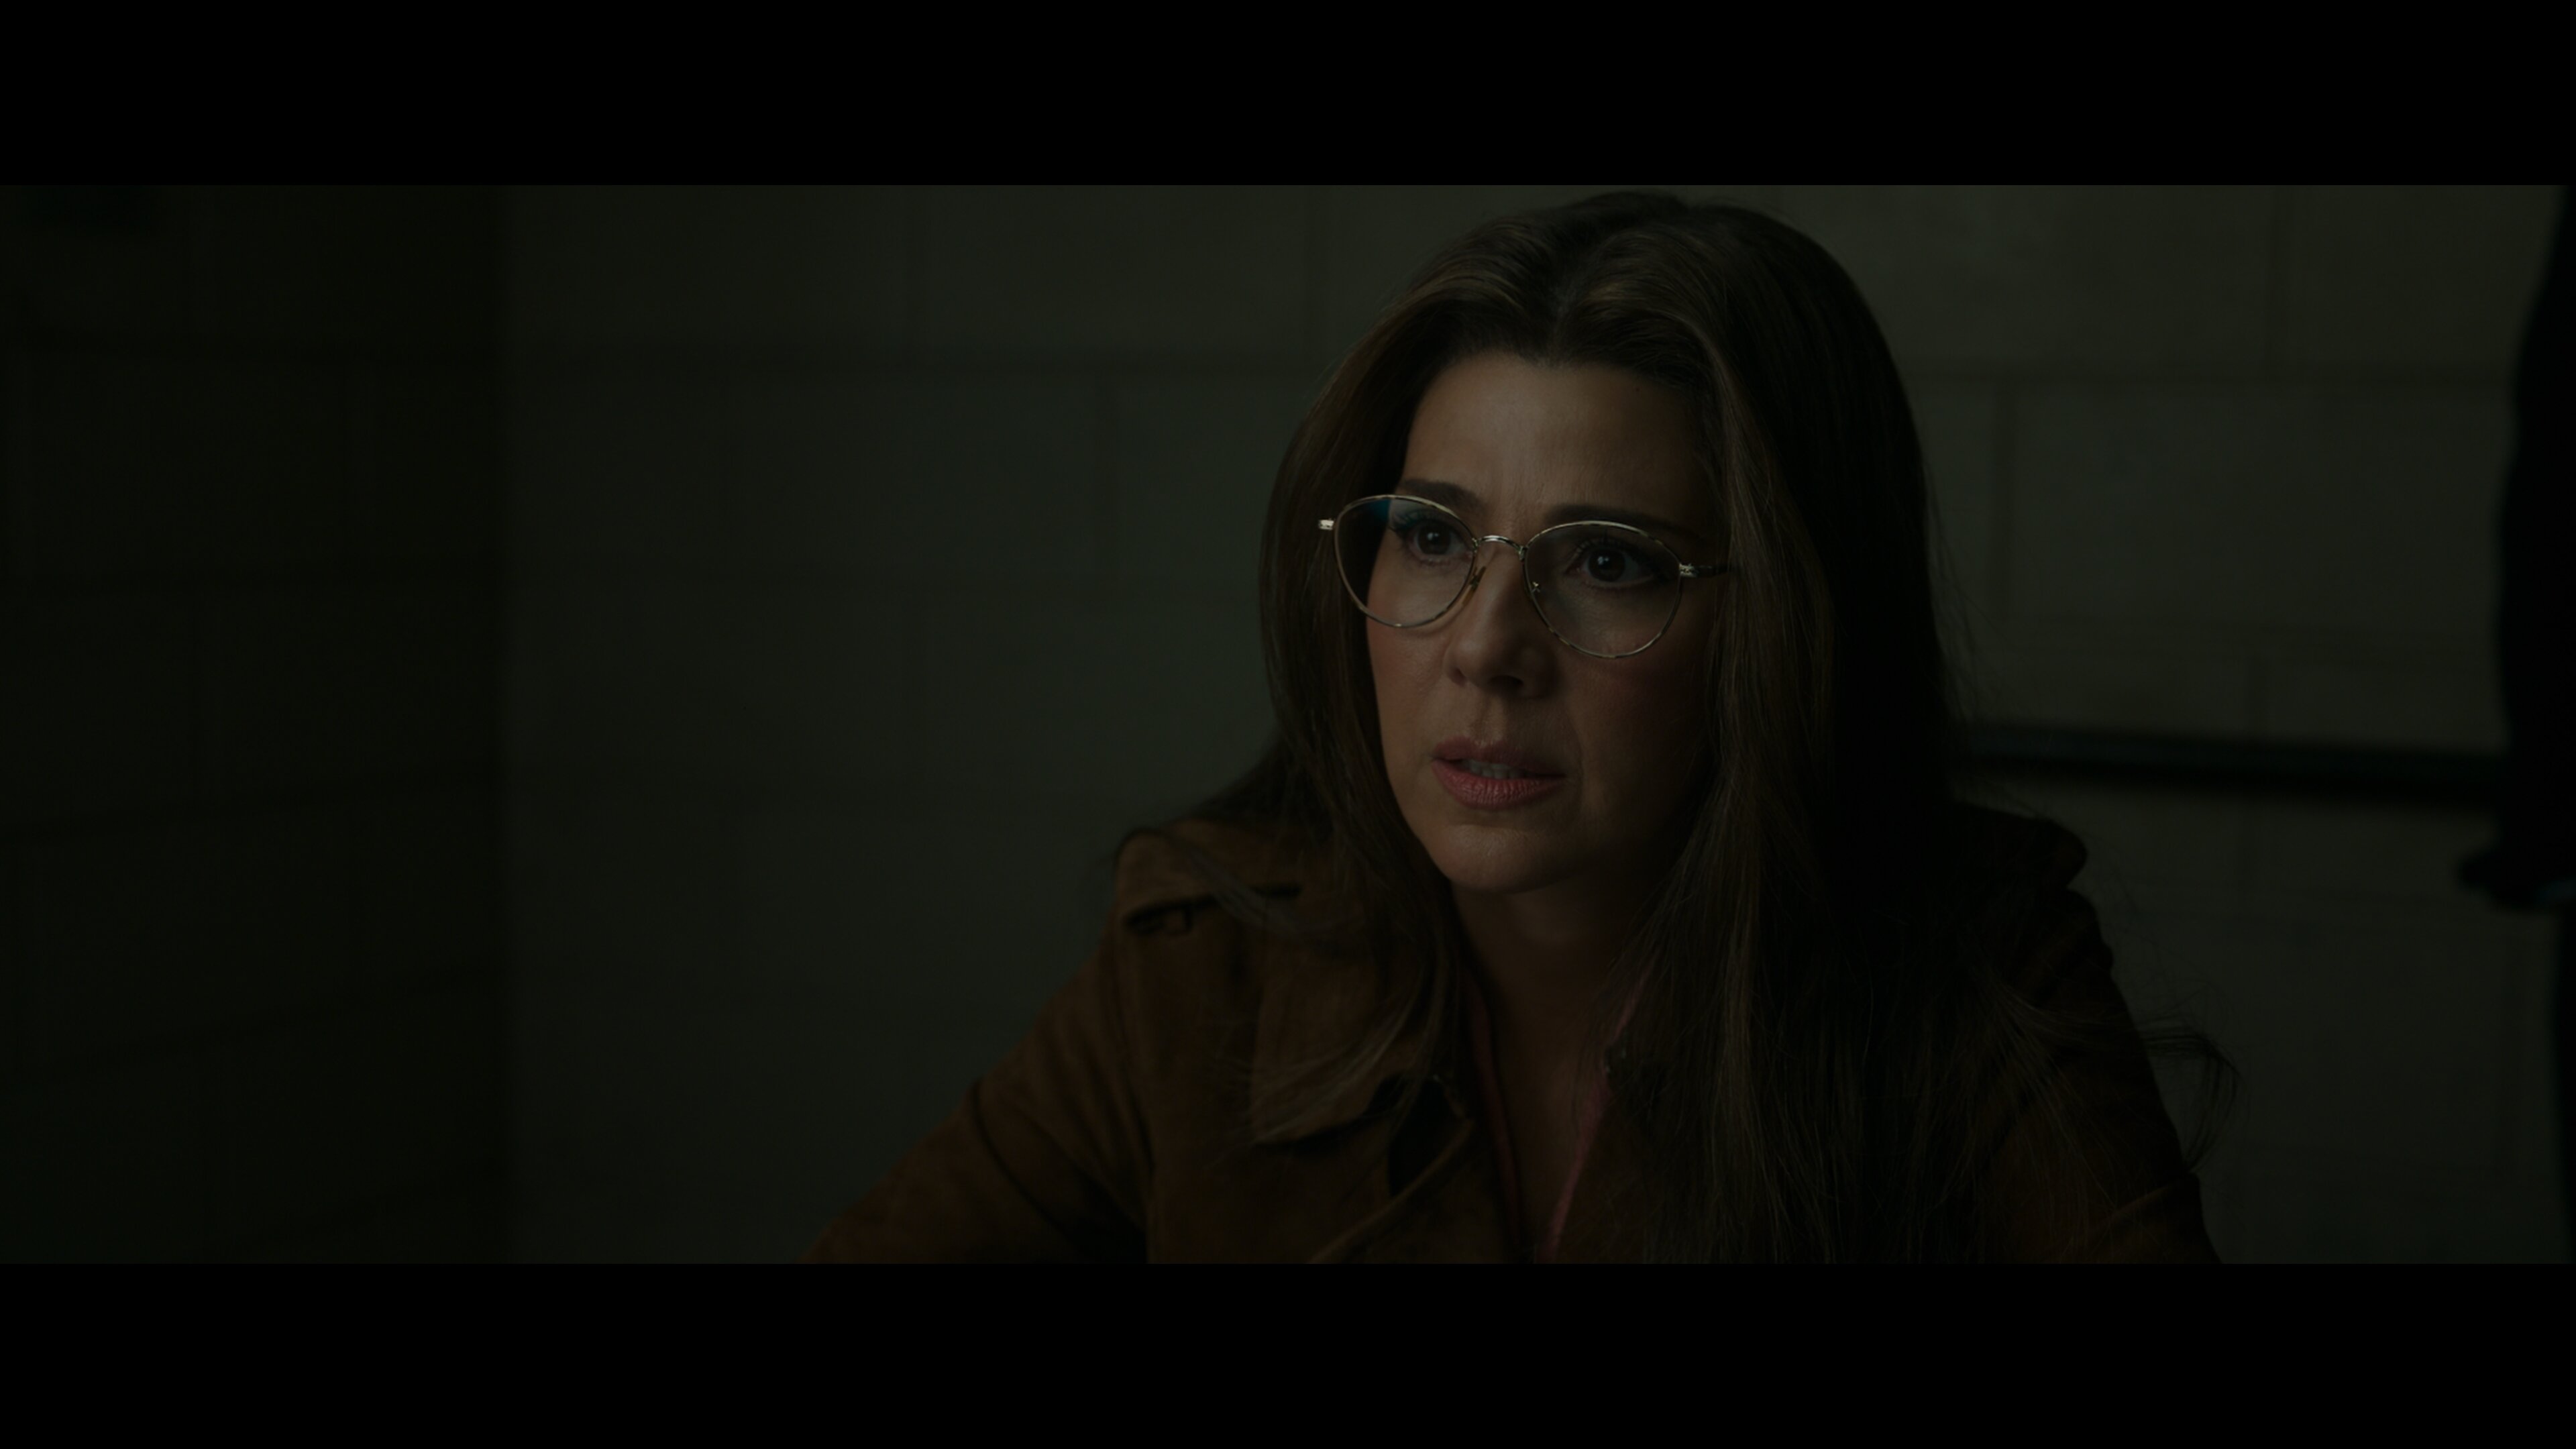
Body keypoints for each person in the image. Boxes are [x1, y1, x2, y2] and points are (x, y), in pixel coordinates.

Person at [802, 192, 2231, 1263]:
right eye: (1432, 536)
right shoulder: (1207, 963)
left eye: (1607, 561)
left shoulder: (1973, 981)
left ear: (1784, 630)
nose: (1486, 648)